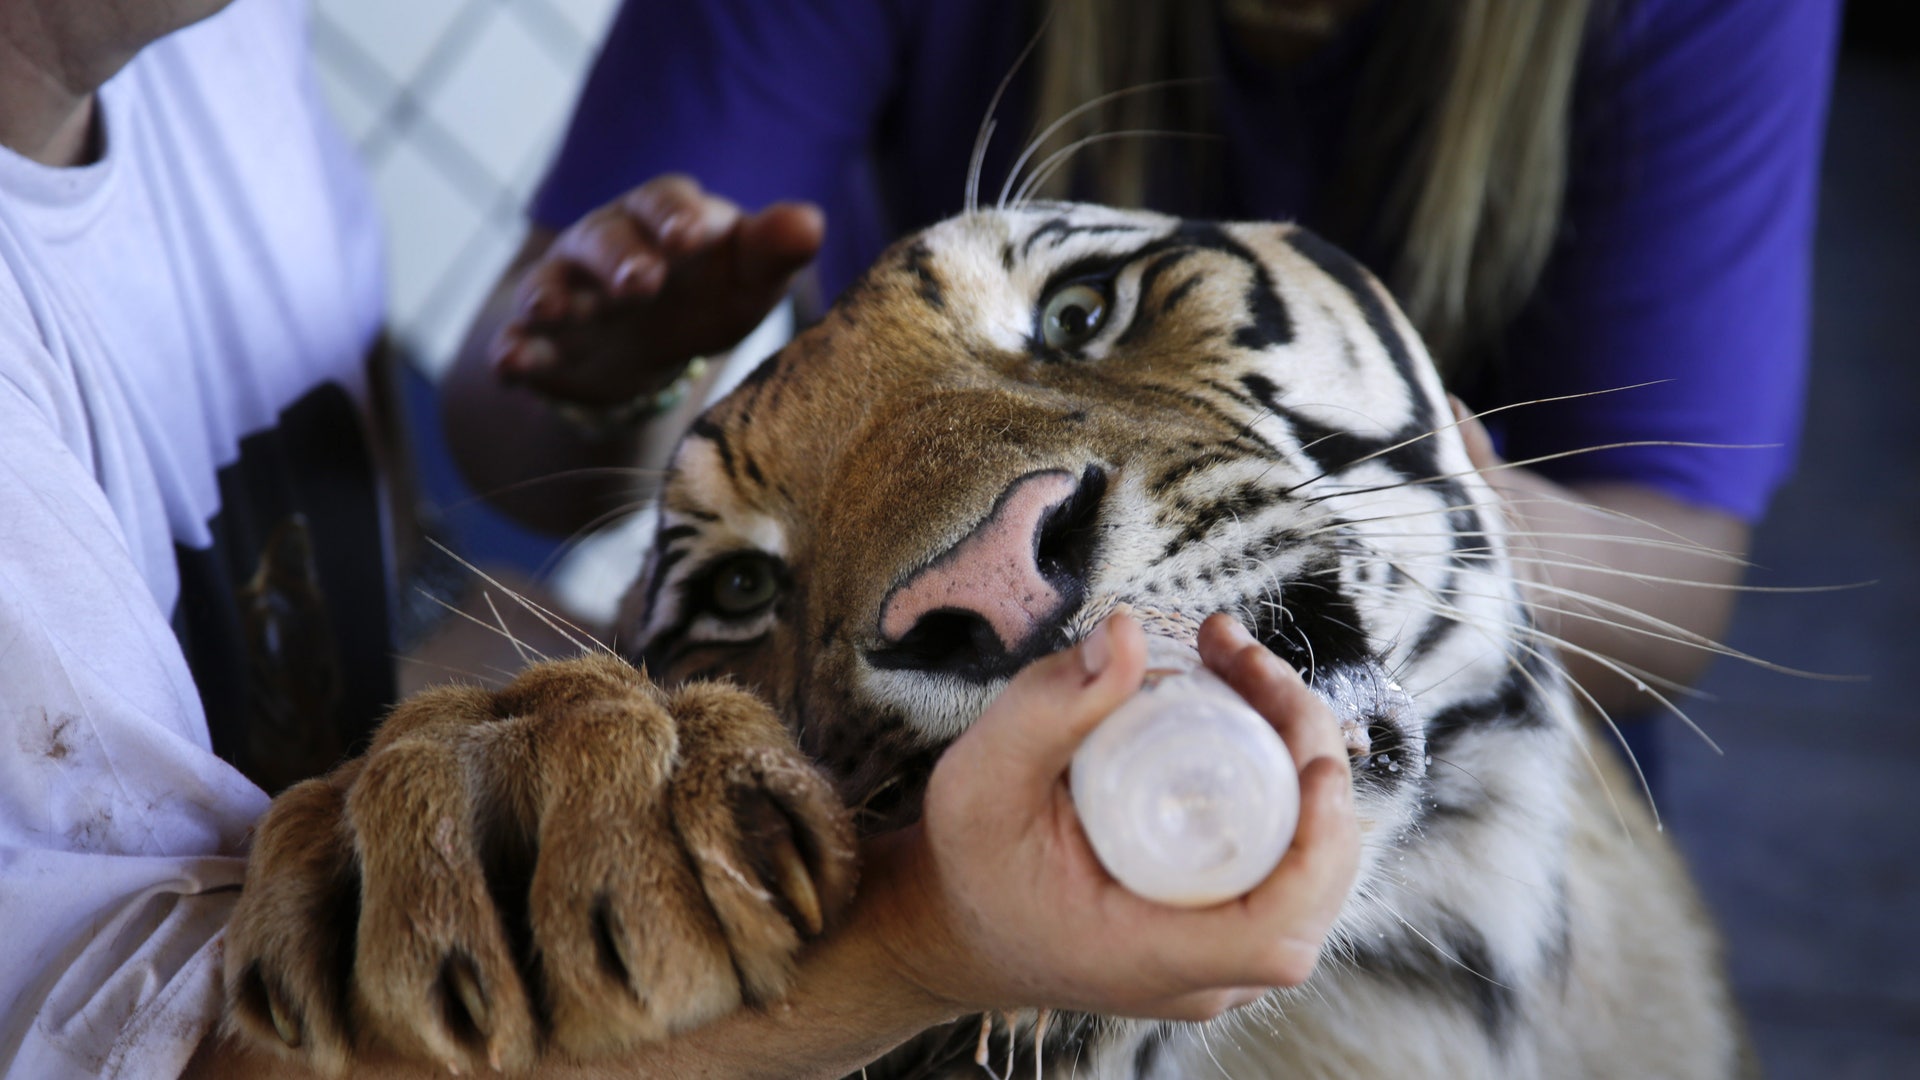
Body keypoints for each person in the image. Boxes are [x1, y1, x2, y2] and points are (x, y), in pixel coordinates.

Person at [0, 2, 1359, 1076]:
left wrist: (615, 388)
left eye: (1073, 318)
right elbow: (162, 1053)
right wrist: (920, 933)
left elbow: (397, 571)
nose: (996, 575)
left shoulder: (217, 47)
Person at [451, 0, 1840, 753]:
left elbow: (1675, 576)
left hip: (1473, 722)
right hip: (932, 731)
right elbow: (506, 445)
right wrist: (621, 373)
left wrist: (1428, 505)